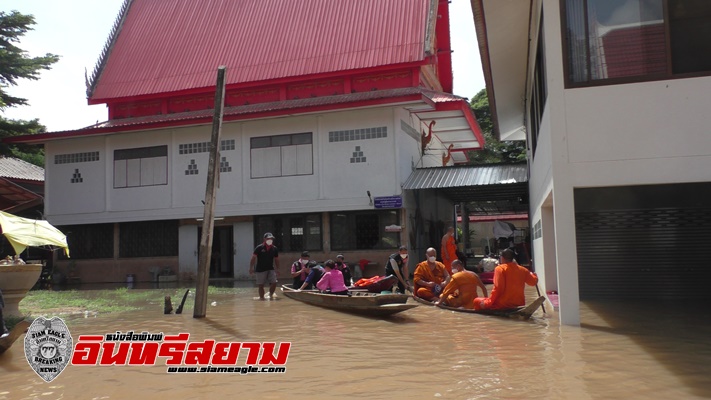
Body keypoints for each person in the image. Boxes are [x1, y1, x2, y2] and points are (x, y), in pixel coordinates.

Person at [473, 248, 538, 310]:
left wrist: (488, 303)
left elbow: (498, 288)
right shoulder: (523, 270)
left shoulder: (499, 269)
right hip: (519, 303)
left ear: (502, 258)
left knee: (476, 301)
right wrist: (534, 275)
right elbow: (533, 282)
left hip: (502, 304)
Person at [249, 232, 280, 300]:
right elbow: (253, 258)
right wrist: (251, 268)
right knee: (261, 285)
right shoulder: (259, 248)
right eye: (268, 238)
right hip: (260, 269)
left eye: (271, 238)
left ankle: (270, 295)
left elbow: (276, 259)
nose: (270, 240)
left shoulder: (274, 248)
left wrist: (277, 269)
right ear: (264, 239)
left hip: (270, 268)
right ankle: (262, 298)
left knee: (274, 282)